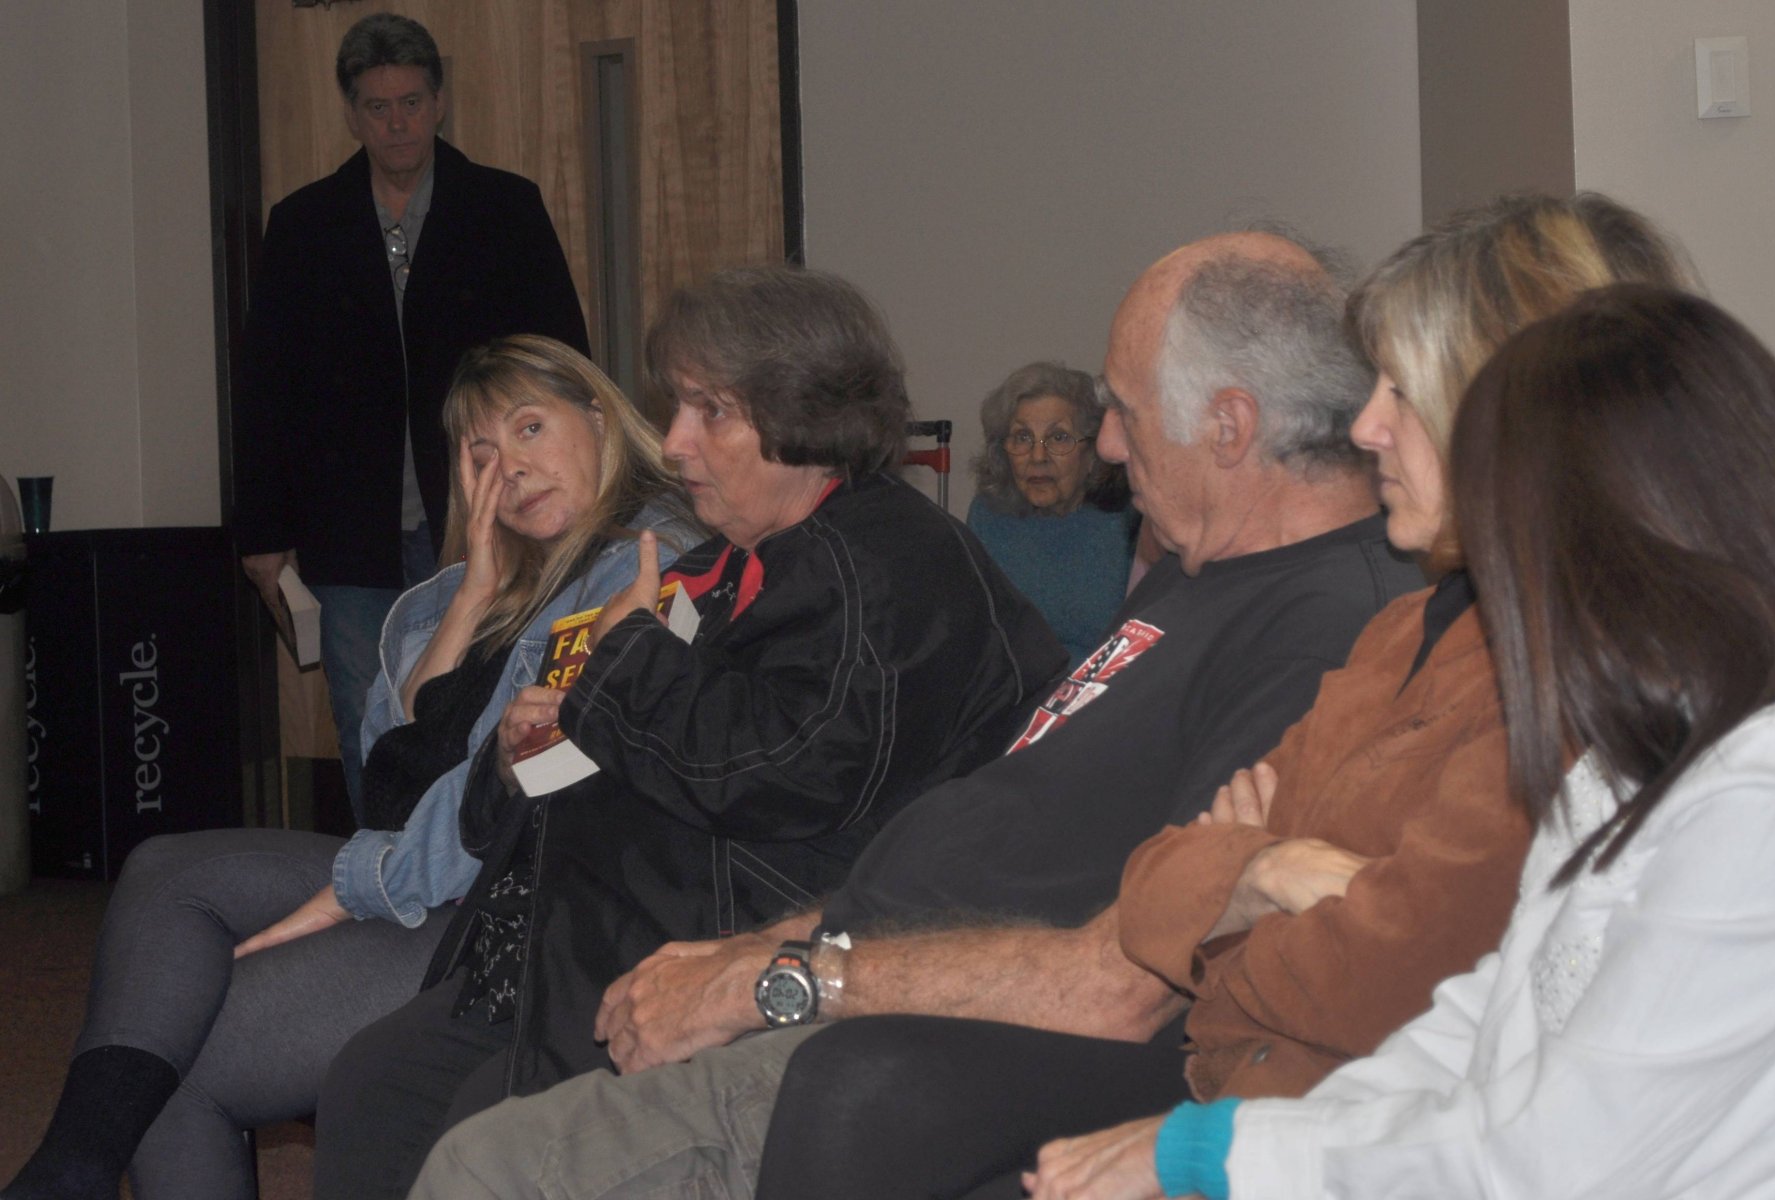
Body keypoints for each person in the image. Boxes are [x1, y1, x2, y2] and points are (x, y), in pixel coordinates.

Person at [406, 228, 1427, 1200]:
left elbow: (1124, 980)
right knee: (435, 1113)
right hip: (838, 959)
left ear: (1230, 425)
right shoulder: (1196, 578)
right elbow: (970, 848)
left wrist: (773, 977)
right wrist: (754, 951)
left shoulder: (1323, 630)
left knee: (483, 1167)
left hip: (900, 1035)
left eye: (1121, 408)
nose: (1107, 446)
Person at [744, 192, 1695, 1200]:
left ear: (1536, 419)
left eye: (1403, 393)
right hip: (1253, 1093)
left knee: (858, 1089)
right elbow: (1171, 877)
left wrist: (1245, 884)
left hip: (1303, 1121)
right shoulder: (1404, 635)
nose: (1365, 426)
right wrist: (1254, 873)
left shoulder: (1571, 687)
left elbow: (1397, 985)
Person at [1029, 283, 1775, 1200]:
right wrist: (1226, 1136)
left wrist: (1213, 1154)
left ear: (1624, 521)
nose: (1501, 562)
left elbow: (1560, 1156)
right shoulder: (1635, 755)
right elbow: (1477, 1028)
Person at [306, 265, 1067, 1199]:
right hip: (569, 941)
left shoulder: (885, 563)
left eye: (710, 412)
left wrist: (620, 664)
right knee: (372, 1087)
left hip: (749, 951)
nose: (673, 442)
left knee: (481, 1143)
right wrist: (515, 758)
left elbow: (780, 770)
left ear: (803, 412)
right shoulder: (738, 557)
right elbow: (606, 744)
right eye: (677, 408)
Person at [1, 335, 696, 1200]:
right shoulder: (460, 593)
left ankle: (67, 1174)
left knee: (171, 1064)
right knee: (163, 874)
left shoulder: (646, 562)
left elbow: (520, 793)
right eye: (481, 453)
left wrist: (355, 887)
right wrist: (474, 594)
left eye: (530, 428)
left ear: (597, 416)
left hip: (512, 913)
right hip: (426, 874)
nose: (510, 468)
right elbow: (392, 779)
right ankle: (68, 1172)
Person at [232, 13, 590, 821]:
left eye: (411, 103)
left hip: (484, 512)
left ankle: (473, 866)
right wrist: (262, 529)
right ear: (351, 115)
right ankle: (384, 866)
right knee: (370, 714)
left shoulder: (505, 208)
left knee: (484, 699)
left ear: (439, 103)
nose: (396, 123)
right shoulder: (304, 224)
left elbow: (562, 363)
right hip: (346, 525)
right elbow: (265, 386)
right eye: (377, 106)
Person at [968, 361, 1138, 663]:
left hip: (1104, 687)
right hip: (1013, 687)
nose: (1037, 456)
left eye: (1059, 437)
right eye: (1022, 437)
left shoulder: (1128, 520)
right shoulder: (987, 515)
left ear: (1093, 451)